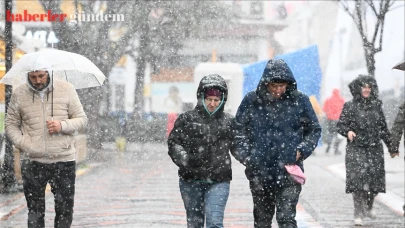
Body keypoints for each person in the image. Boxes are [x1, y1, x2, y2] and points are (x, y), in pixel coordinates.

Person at [232, 59, 321, 228]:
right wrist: (248, 158)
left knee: (286, 219)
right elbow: (238, 132)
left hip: (289, 170)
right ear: (266, 83)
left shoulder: (300, 101)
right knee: (262, 222)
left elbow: (314, 130)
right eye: (274, 86)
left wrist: (301, 151)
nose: (279, 90)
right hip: (260, 172)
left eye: (282, 85)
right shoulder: (252, 101)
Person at [5, 70, 88, 228]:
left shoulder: (67, 89)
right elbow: (10, 124)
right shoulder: (20, 93)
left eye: (41, 76)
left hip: (63, 160)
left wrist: (62, 125)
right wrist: (23, 143)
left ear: (48, 73)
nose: (37, 81)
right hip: (32, 161)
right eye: (33, 77)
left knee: (64, 210)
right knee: (35, 211)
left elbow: (82, 120)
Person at [168, 74, 234, 228]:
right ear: (201, 97)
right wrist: (185, 159)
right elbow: (174, 143)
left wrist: (254, 161)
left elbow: (240, 146)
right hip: (191, 181)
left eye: (216, 100)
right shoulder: (186, 119)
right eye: (209, 99)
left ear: (222, 100)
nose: (212, 103)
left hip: (219, 180)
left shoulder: (229, 122)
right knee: (195, 223)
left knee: (215, 222)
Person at [337, 75, 398, 226]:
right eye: (364, 87)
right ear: (358, 89)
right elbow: (340, 125)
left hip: (374, 148)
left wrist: (392, 147)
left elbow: (383, 128)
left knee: (374, 183)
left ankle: (369, 204)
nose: (366, 90)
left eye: (369, 87)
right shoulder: (349, 106)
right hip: (356, 148)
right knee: (358, 182)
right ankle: (358, 212)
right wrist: (348, 131)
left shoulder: (376, 105)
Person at [322, 89, 345, 155]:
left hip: (330, 120)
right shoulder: (341, 100)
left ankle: (329, 145)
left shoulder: (328, 100)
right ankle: (336, 148)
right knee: (339, 135)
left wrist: (329, 114)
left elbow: (324, 109)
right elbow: (345, 110)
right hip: (338, 120)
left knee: (330, 133)